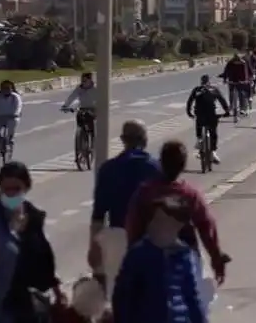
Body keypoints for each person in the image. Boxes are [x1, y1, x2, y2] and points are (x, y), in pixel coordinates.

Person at [125, 140, 228, 287]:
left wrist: (133, 260)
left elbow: (133, 228)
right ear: (184, 165)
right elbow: (207, 228)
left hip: (151, 262)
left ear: (160, 163)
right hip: (185, 262)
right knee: (195, 301)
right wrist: (216, 259)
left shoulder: (145, 192)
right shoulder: (190, 195)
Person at [0, 162, 63, 323]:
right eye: (6, 189)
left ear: (26, 188)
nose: (11, 194)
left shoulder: (34, 218)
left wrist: (57, 291)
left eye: (16, 189)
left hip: (28, 305)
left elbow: (44, 257)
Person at [88, 120, 161, 298]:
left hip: (117, 240)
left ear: (122, 139)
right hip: (149, 240)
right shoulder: (156, 168)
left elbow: (98, 215)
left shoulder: (108, 169)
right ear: (145, 140)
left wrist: (94, 247)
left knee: (118, 298)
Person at [112, 195, 207, 323]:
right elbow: (122, 296)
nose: (156, 226)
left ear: (177, 226)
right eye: (155, 220)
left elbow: (192, 297)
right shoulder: (139, 254)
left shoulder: (185, 255)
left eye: (163, 221)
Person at [186, 75, 230, 164]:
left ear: (201, 82)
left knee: (199, 124)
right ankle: (213, 152)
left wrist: (189, 112)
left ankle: (199, 141)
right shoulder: (214, 89)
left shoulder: (197, 89)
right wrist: (227, 111)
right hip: (212, 114)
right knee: (213, 133)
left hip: (200, 114)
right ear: (209, 82)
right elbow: (222, 100)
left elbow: (190, 101)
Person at [61, 72, 97, 137]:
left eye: (85, 81)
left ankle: (93, 138)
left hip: (93, 109)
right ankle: (81, 133)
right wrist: (65, 105)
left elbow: (101, 99)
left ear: (90, 80)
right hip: (82, 108)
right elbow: (72, 97)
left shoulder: (95, 89)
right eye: (82, 80)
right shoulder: (79, 88)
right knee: (79, 116)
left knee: (92, 123)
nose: (83, 82)